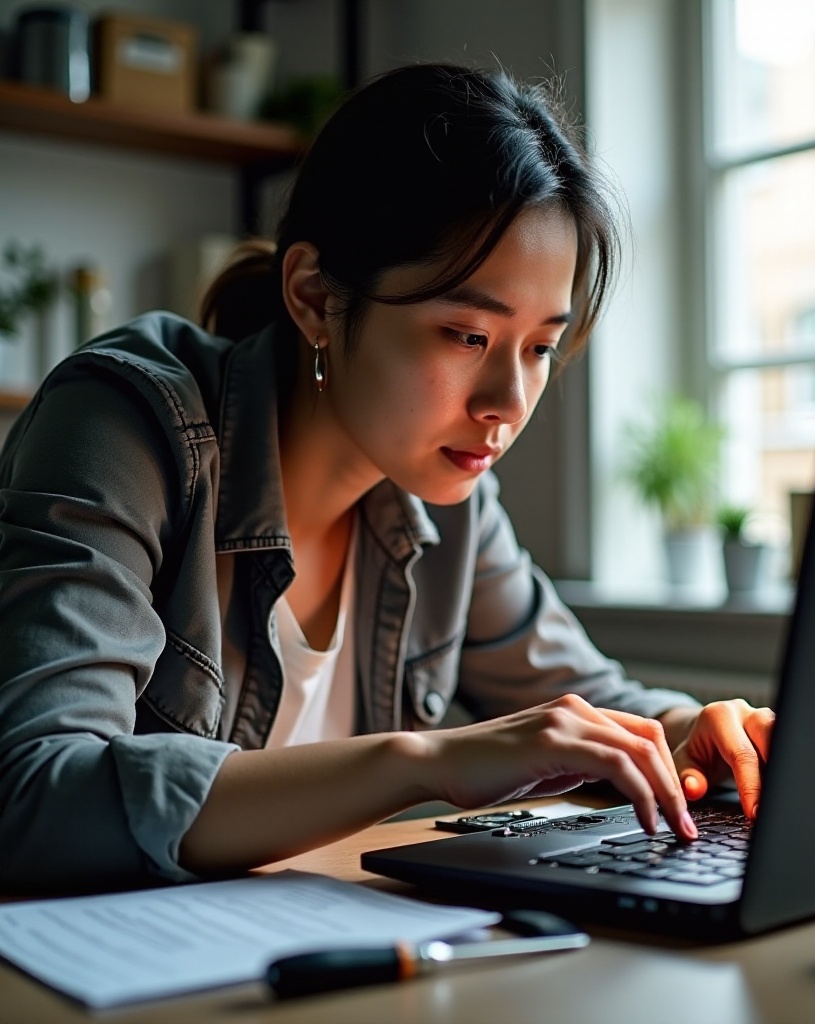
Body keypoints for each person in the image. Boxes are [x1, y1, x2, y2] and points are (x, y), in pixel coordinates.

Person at [0, 63, 774, 890]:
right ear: (313, 295)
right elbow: (35, 795)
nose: (507, 402)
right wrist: (421, 762)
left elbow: (587, 702)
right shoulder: (128, 424)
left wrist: (691, 730)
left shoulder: (451, 501)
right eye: (465, 335)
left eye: (541, 347)